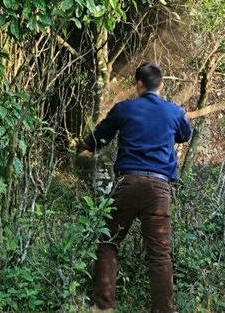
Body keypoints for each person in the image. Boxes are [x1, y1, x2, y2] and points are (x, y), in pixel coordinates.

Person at [79, 62, 192, 313]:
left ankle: (103, 306)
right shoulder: (174, 112)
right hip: (159, 189)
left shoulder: (124, 109)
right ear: (161, 85)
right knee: (160, 255)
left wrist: (84, 147)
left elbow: (100, 136)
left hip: (127, 184)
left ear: (138, 84)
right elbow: (185, 135)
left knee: (108, 242)